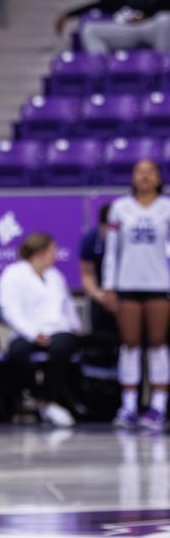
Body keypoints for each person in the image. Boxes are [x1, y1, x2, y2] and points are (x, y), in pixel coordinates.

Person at [103, 159, 170, 432]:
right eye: (139, 172)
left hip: (159, 283)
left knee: (157, 342)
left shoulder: (167, 207)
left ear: (158, 177)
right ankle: (129, 405)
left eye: (149, 172)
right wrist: (109, 285)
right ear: (132, 177)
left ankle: (158, 405)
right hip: (127, 283)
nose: (144, 176)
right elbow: (112, 251)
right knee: (130, 343)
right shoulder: (120, 208)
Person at [0, 232, 80, 428]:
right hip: (27, 330)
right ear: (40, 252)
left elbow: (67, 306)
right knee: (17, 353)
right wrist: (32, 333)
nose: (56, 255)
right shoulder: (12, 274)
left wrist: (75, 327)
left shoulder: (56, 276)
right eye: (53, 250)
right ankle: (41, 399)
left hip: (57, 329)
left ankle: (47, 401)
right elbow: (9, 310)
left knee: (62, 349)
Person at [79, 202, 117, 342]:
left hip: (127, 295)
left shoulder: (130, 242)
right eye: (106, 228)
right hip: (101, 295)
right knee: (101, 338)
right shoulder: (91, 239)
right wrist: (100, 295)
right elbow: (87, 275)